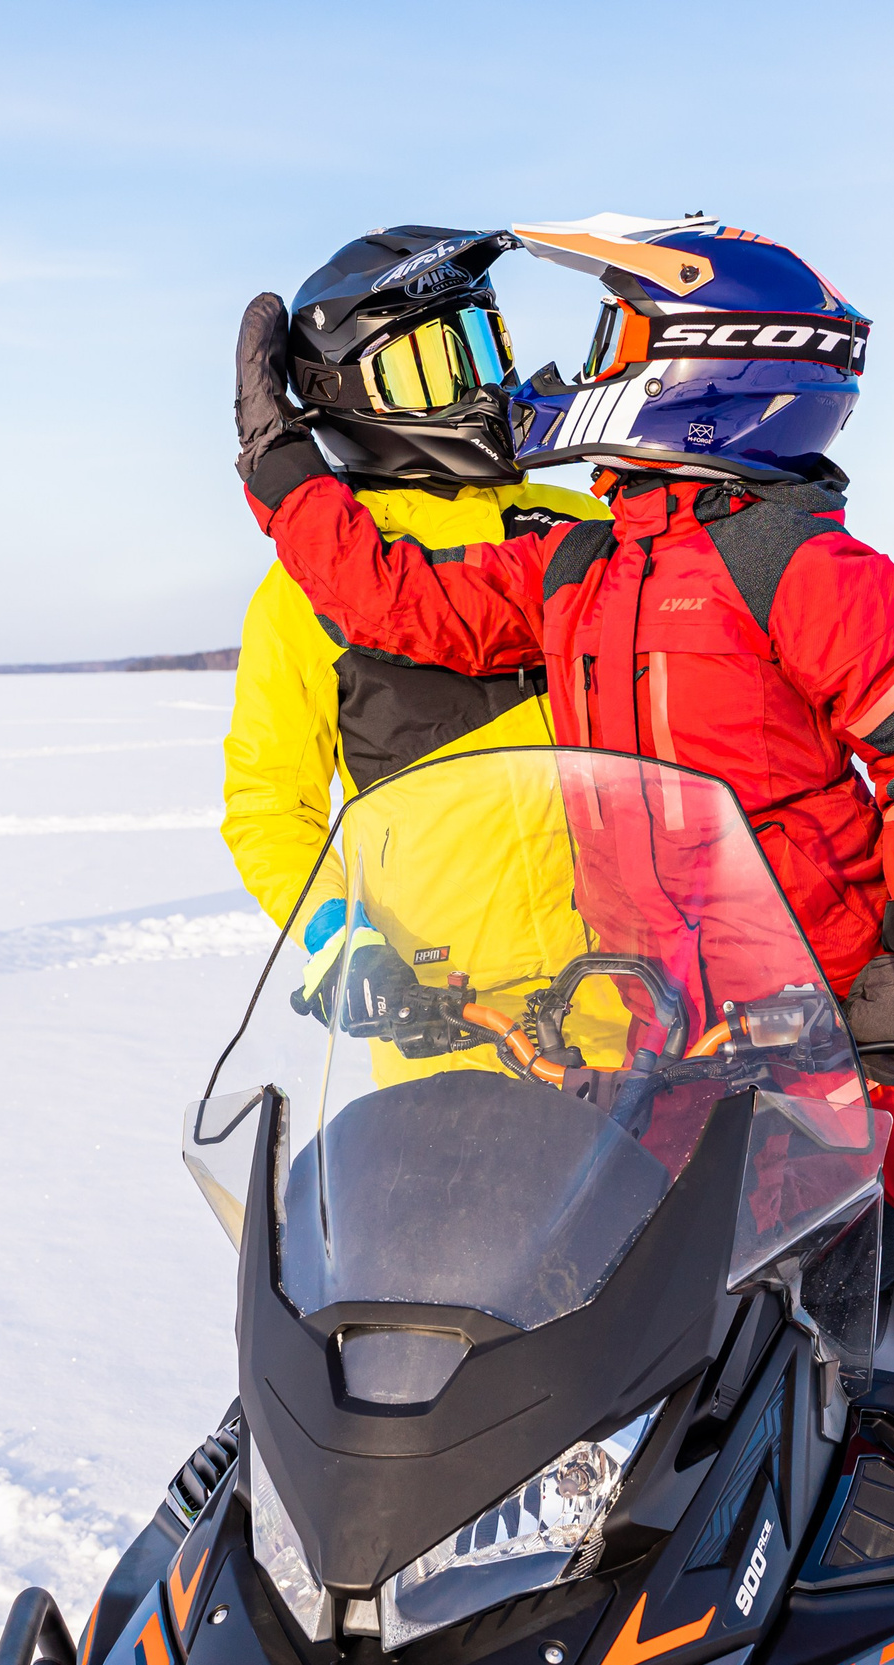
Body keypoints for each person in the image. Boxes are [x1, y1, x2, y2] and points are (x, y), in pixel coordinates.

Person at [232, 214, 894, 1342]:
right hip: (662, 1005)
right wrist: (281, 475)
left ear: (703, 373)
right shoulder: (584, 559)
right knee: (667, 1244)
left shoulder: (806, 568)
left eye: (618, 345)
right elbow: (396, 603)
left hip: (841, 981)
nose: (581, 372)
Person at [221, 225, 627, 1081]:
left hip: (640, 1000)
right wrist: (339, 936)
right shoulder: (305, 589)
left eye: (484, 346)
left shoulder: (582, 522)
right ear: (345, 393)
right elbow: (268, 804)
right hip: (447, 1020)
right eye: (434, 365)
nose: (476, 385)